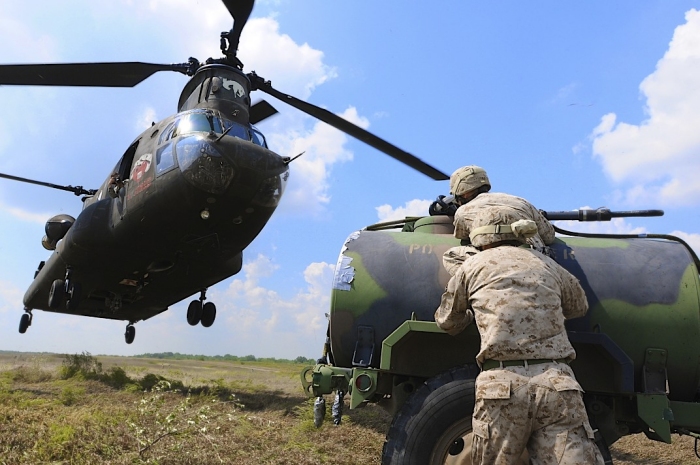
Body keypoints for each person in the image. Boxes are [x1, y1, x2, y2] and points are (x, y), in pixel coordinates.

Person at [435, 206, 604, 465]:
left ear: (480, 237)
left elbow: (447, 321)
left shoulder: (471, 266)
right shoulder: (548, 264)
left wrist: (474, 315)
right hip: (557, 385)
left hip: (501, 388)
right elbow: (578, 305)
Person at [440, 165, 556, 275]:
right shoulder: (521, 202)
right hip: (537, 259)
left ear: (463, 193)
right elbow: (549, 236)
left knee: (451, 256)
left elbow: (463, 236)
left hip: (495, 264)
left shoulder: (463, 211)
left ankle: (475, 283)